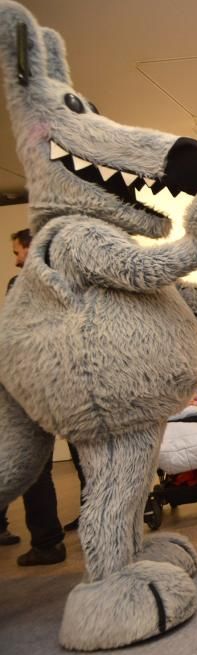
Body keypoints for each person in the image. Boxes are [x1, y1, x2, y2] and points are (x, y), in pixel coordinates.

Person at [3, 228, 66, 564]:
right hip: (68, 384)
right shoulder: (66, 281)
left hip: (35, 387)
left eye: (17, 252)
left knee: (34, 468)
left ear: (30, 247)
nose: (15, 260)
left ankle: (47, 542)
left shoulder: (25, 290)